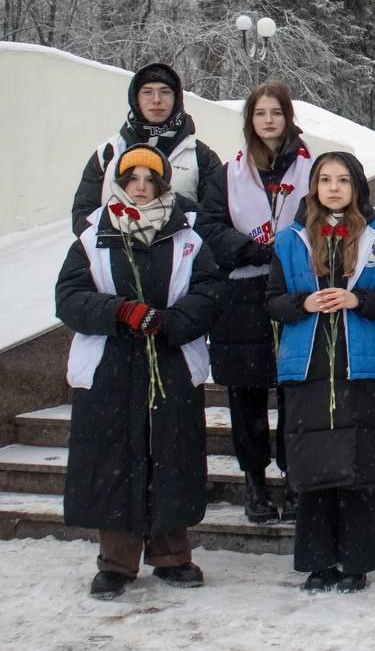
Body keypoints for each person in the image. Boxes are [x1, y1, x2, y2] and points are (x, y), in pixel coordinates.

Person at [56, 144, 224, 599]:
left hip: (168, 361)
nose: (141, 187)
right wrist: (121, 312)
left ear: (163, 185)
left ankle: (172, 555)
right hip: (110, 366)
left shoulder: (188, 238)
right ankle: (116, 561)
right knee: (114, 460)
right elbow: (69, 297)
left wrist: (170, 322)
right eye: (133, 179)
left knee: (170, 455)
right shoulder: (94, 237)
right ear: (120, 184)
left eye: (150, 180)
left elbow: (209, 292)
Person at [266, 151, 375, 593]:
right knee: (312, 469)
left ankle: (356, 560)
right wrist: (301, 303)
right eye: (324, 179)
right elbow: (272, 299)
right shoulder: (291, 240)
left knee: (356, 469)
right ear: (313, 187)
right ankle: (318, 561)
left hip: (360, 368)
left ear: (357, 188)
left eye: (342, 180)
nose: (333, 188)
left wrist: (358, 300)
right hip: (308, 368)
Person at [199, 81, 312, 524]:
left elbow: (330, 210)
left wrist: (288, 249)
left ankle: (296, 476)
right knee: (246, 396)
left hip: (295, 290)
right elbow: (209, 223)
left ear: (288, 118)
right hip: (243, 293)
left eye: (276, 113)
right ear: (250, 120)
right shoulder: (229, 172)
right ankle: (255, 481)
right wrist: (247, 248)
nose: (268, 120)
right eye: (260, 113)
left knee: (295, 391)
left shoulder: (312, 167)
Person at [71, 63, 222, 235]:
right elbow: (82, 214)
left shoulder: (201, 156)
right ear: (136, 99)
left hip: (177, 260)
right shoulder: (108, 153)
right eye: (147, 92)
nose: (156, 99)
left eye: (165, 91)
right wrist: (117, 247)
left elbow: (215, 219)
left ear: (177, 98)